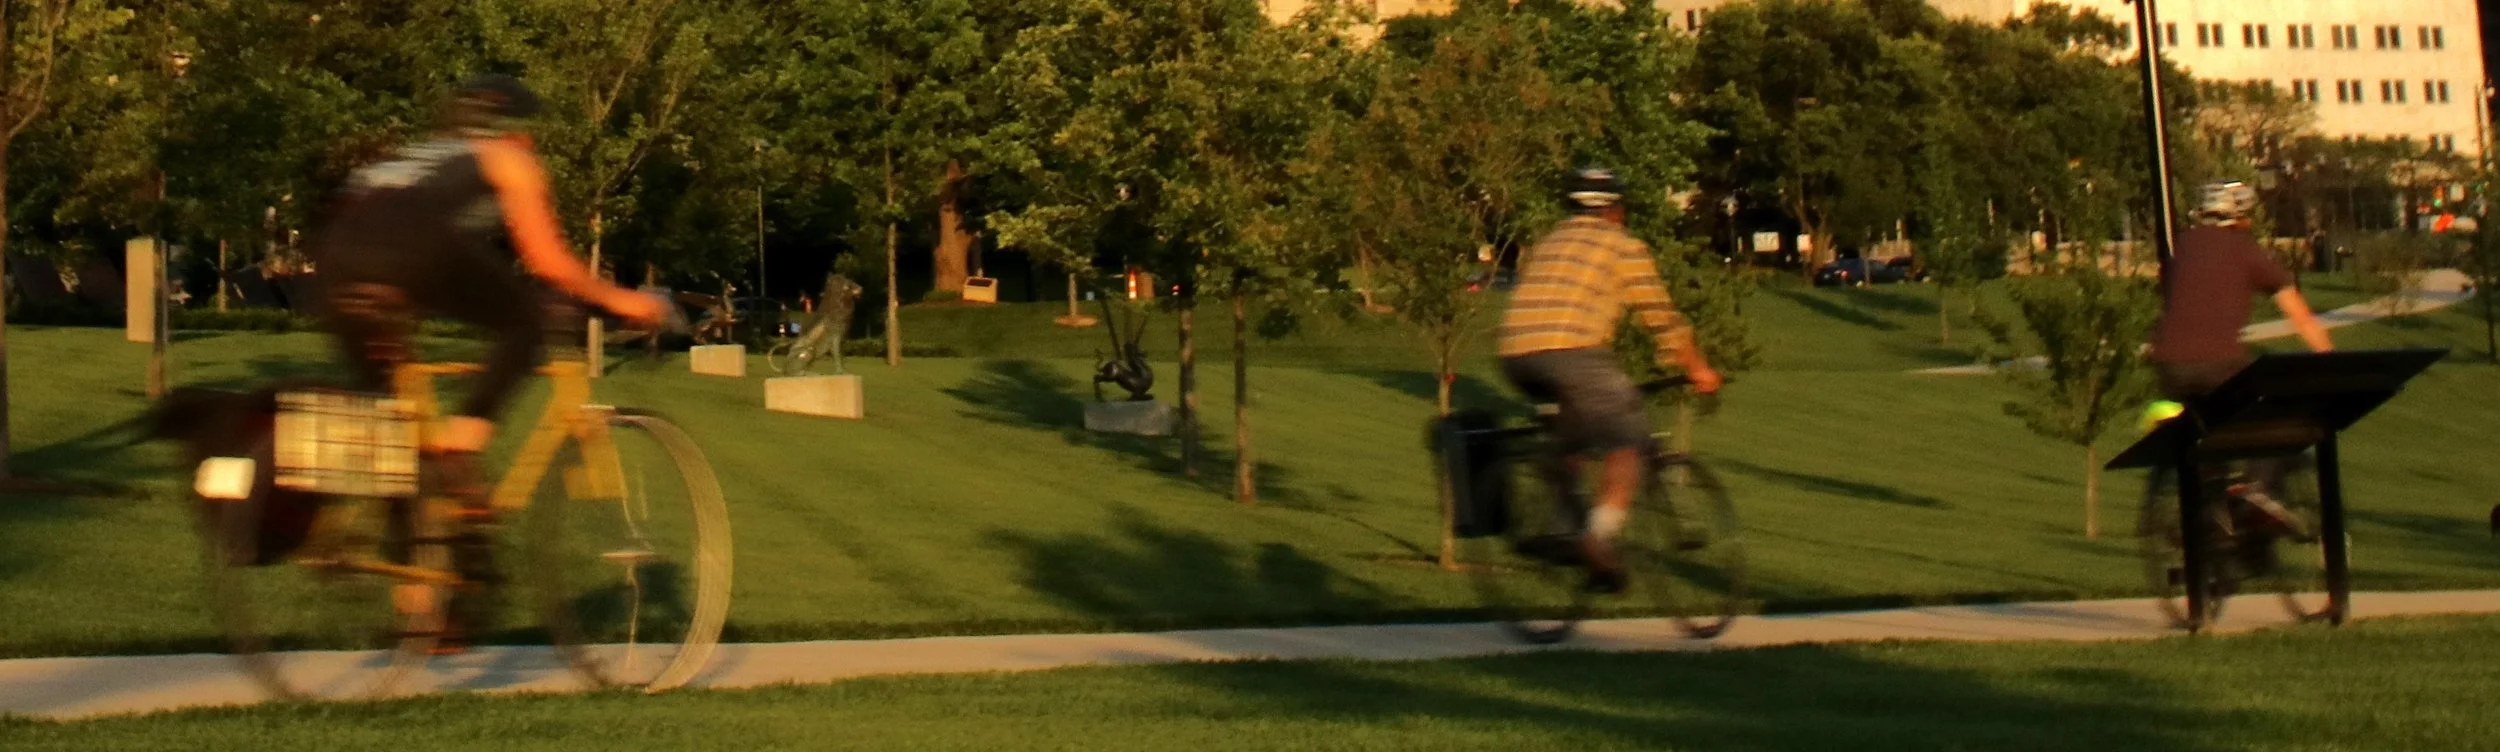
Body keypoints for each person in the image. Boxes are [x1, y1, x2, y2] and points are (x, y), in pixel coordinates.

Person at [307, 74, 667, 648]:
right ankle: (464, 446)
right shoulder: (506, 157)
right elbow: (548, 262)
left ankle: (422, 604)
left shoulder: (408, 159)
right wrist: (625, 300)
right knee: (526, 320)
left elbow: (355, 214)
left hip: (336, 263)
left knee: (400, 441)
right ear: (515, 130)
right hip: (413, 249)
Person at [1496, 167, 1722, 593]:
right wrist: (1698, 368)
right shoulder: (1622, 246)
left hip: (1515, 354)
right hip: (1573, 352)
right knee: (1627, 441)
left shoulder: (1550, 242)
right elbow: (1662, 318)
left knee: (1574, 431)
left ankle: (1562, 524)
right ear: (1615, 209)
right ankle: (1597, 542)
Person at [2146, 180, 2333, 535]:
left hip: (2168, 366)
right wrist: (2328, 356)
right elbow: (2299, 314)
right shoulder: (2243, 249)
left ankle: (2216, 517)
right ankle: (2258, 488)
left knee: (2210, 437)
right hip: (2219, 364)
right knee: (2276, 405)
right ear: (2240, 217)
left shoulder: (2182, 247)